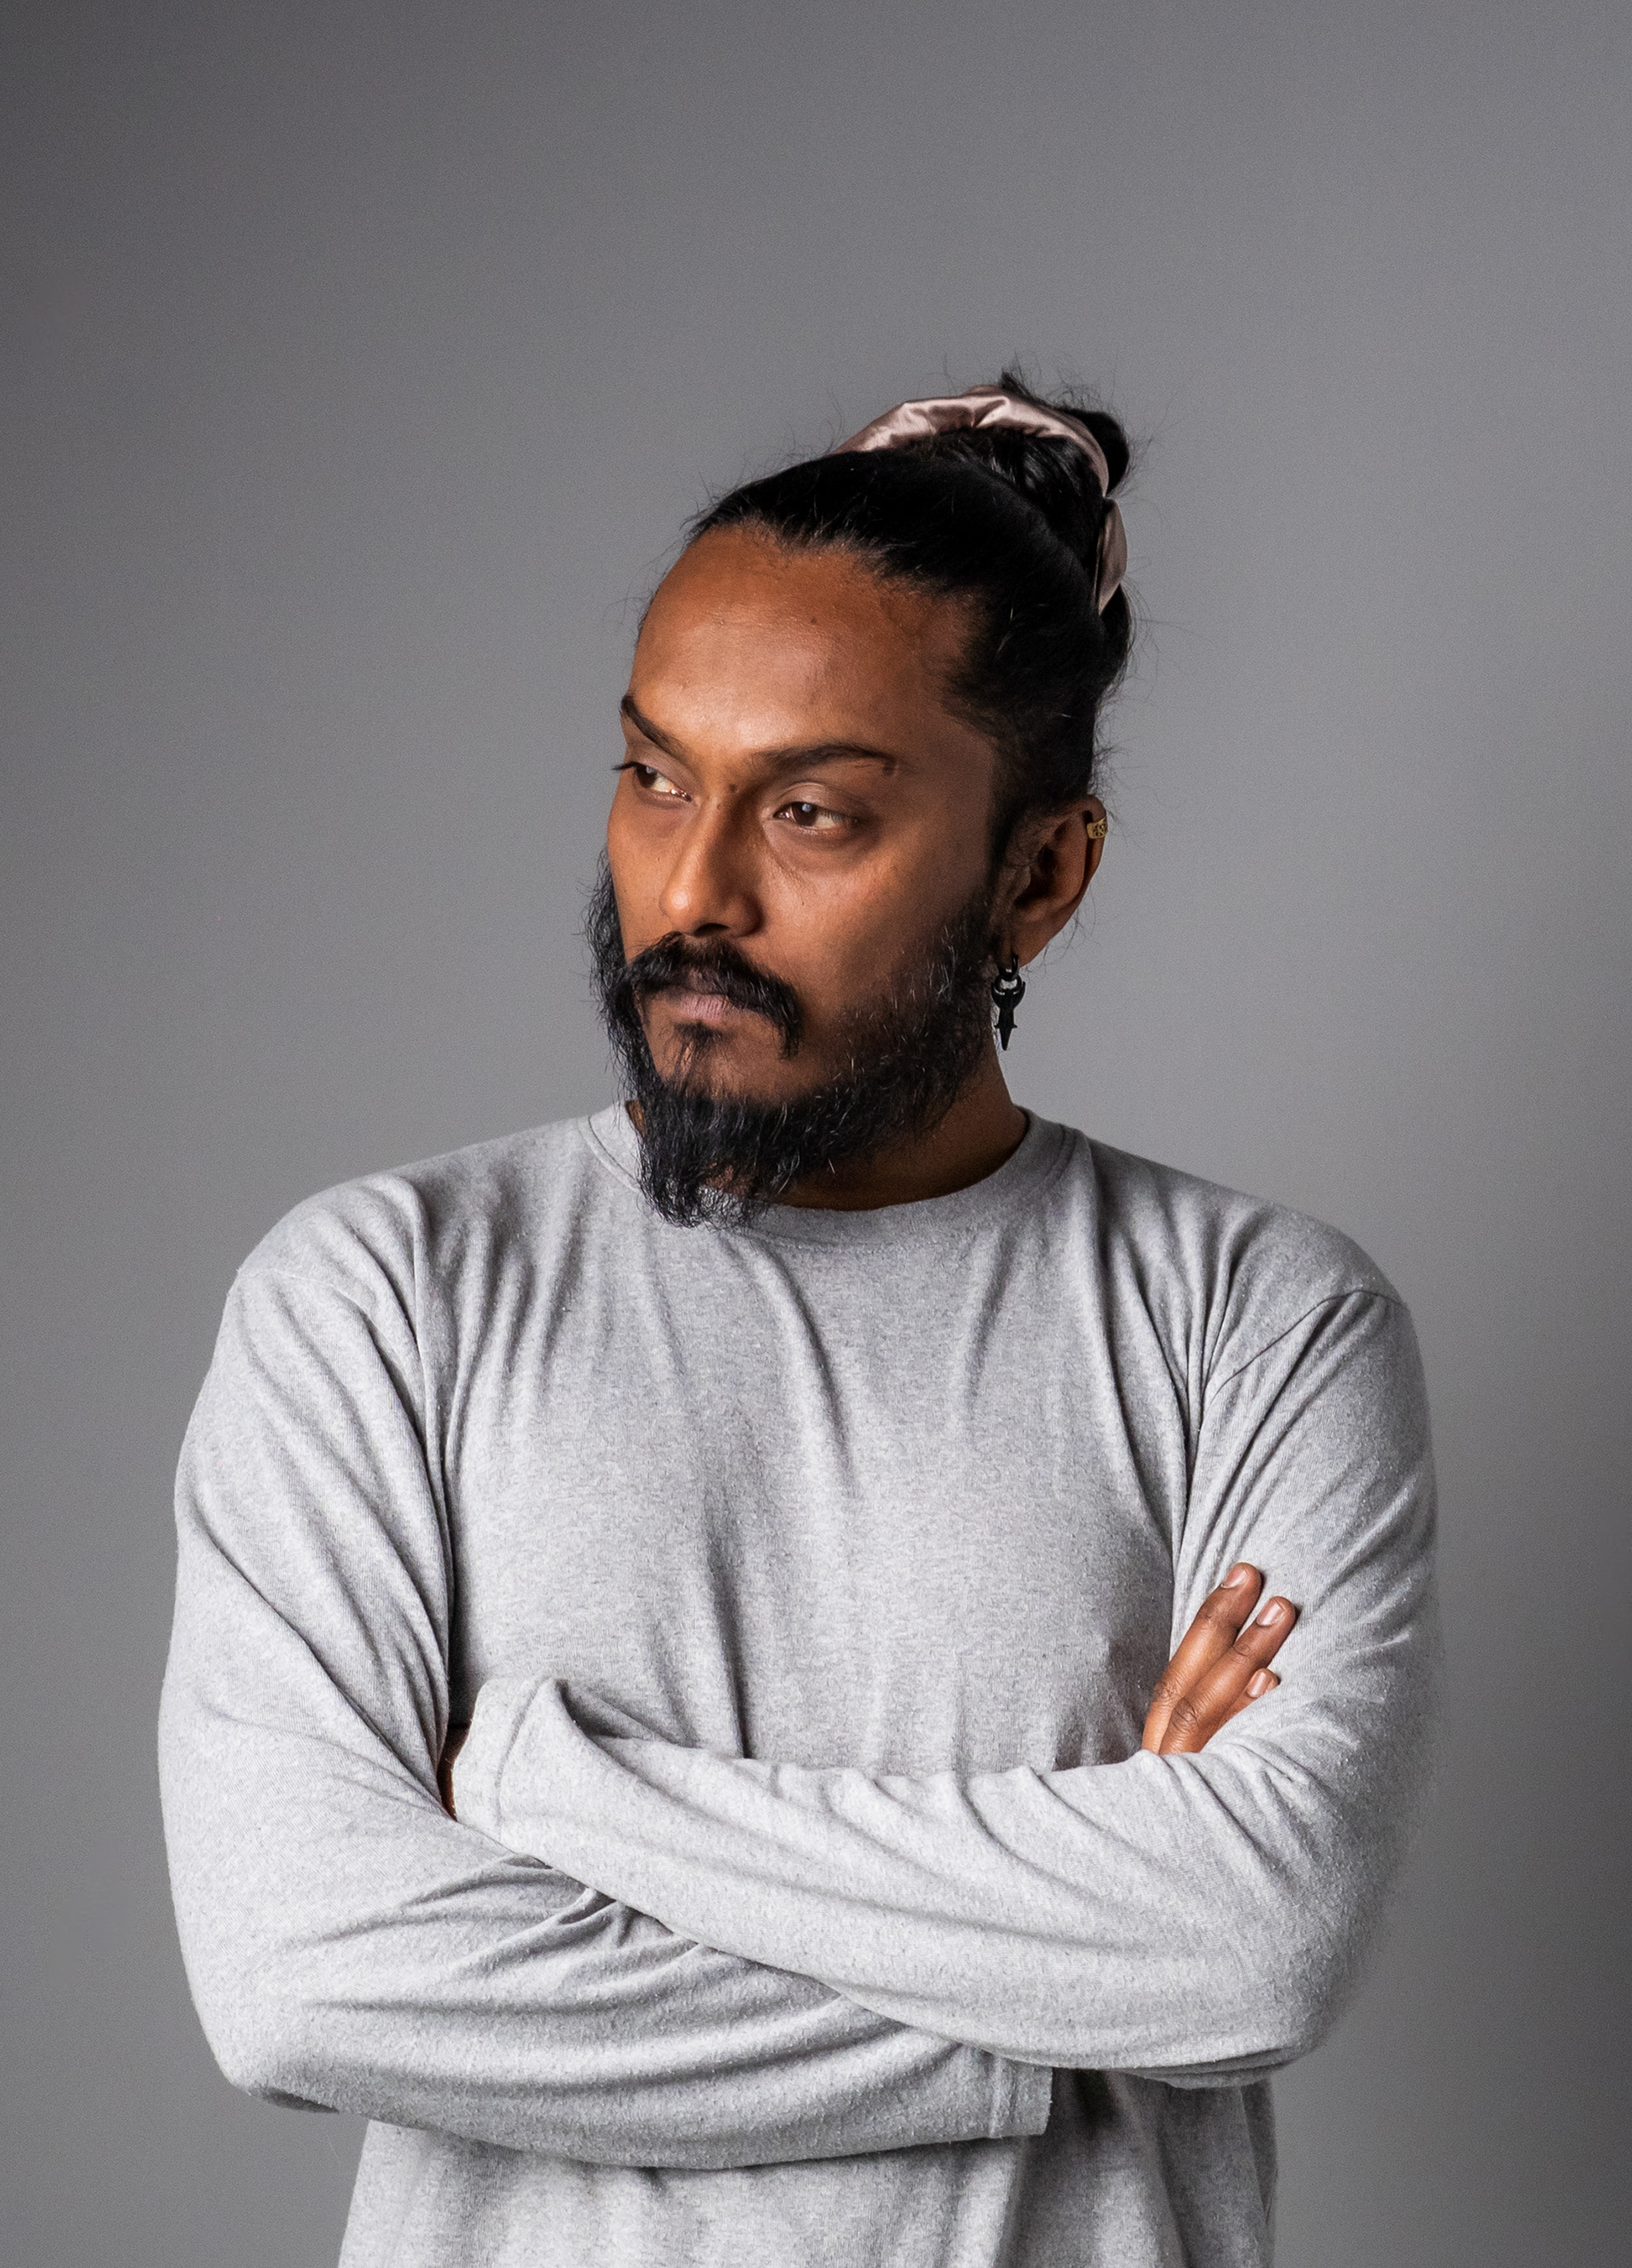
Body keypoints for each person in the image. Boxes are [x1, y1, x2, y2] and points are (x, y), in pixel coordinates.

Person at [159, 376, 1438, 2268]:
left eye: (813, 812)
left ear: (1040, 875)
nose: (694, 892)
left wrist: (545, 1788)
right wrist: (1061, 2003)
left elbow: (1257, 1943)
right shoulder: (381, 1297)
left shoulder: (1257, 1323)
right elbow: (306, 1973)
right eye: (654, 777)